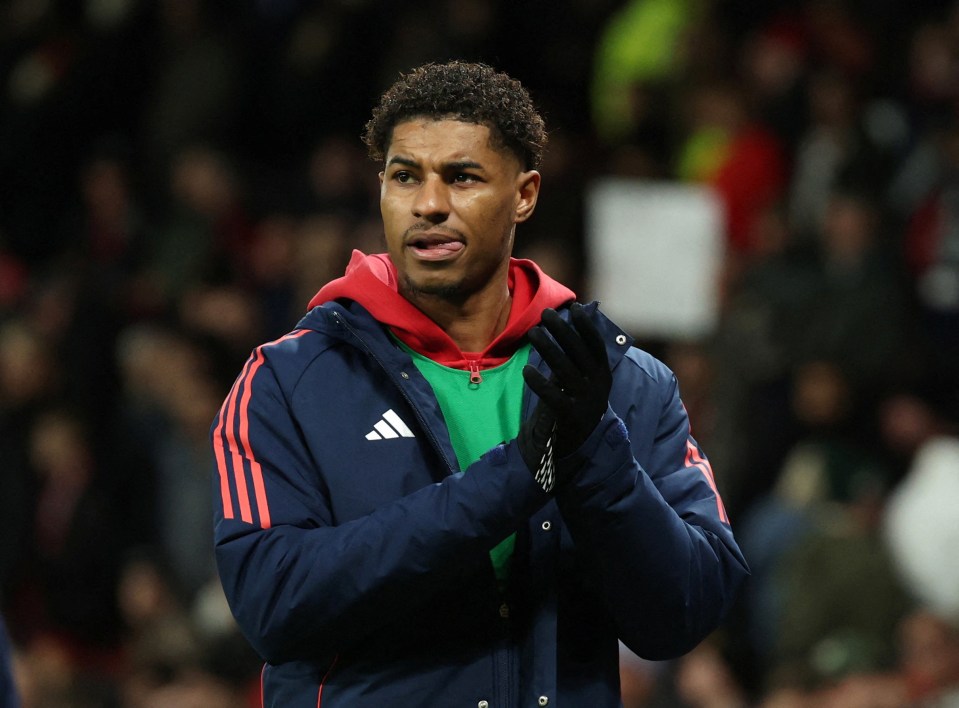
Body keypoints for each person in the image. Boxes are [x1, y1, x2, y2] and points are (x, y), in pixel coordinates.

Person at [211, 60, 748, 707]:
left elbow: (685, 613)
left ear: (524, 194)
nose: (429, 204)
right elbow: (275, 606)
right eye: (404, 176)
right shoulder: (285, 382)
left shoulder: (620, 381)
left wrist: (597, 459)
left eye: (461, 177)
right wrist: (517, 476)